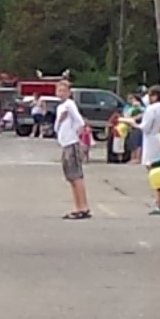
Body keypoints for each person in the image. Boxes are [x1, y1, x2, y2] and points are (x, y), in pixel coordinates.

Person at [54, 79, 92, 219]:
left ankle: (82, 207)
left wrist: (75, 133)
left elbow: (80, 121)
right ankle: (78, 206)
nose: (61, 93)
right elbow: (57, 127)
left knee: (76, 176)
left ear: (69, 93)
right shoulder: (61, 107)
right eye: (59, 90)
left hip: (71, 143)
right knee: (71, 177)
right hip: (65, 143)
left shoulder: (69, 105)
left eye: (64, 91)